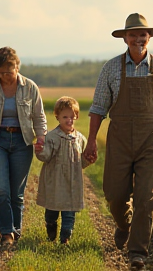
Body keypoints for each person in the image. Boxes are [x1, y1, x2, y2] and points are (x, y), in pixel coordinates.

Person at [84, 13, 153, 269]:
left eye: (142, 34)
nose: (138, 39)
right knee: (114, 195)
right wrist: (92, 141)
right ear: (125, 38)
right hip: (119, 141)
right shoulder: (110, 68)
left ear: (149, 37)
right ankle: (123, 224)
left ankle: (137, 253)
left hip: (151, 140)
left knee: (146, 198)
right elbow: (97, 109)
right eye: (133, 34)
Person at [0, 46, 47, 245]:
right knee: (1, 189)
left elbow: (39, 116)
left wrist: (41, 137)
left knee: (16, 193)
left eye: (9, 71)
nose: (5, 76)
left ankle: (16, 231)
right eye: (1, 72)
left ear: (17, 66)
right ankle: (6, 233)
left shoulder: (30, 87)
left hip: (22, 142)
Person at [34, 96, 91, 245]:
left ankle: (65, 239)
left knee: (69, 214)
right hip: (56, 182)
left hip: (72, 183)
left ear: (77, 117)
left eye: (72, 117)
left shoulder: (80, 139)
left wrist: (89, 159)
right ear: (57, 117)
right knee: (52, 210)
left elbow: (81, 163)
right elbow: (45, 156)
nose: (69, 120)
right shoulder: (52, 137)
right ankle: (51, 224)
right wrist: (40, 150)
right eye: (65, 117)